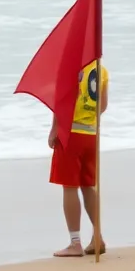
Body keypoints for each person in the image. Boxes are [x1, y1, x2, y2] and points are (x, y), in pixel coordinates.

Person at [49, 60, 109, 257]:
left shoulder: (71, 67)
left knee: (70, 186)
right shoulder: (101, 69)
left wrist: (55, 129)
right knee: (88, 185)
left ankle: (75, 242)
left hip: (71, 133)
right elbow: (103, 105)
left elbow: (62, 102)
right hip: (90, 134)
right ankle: (97, 236)